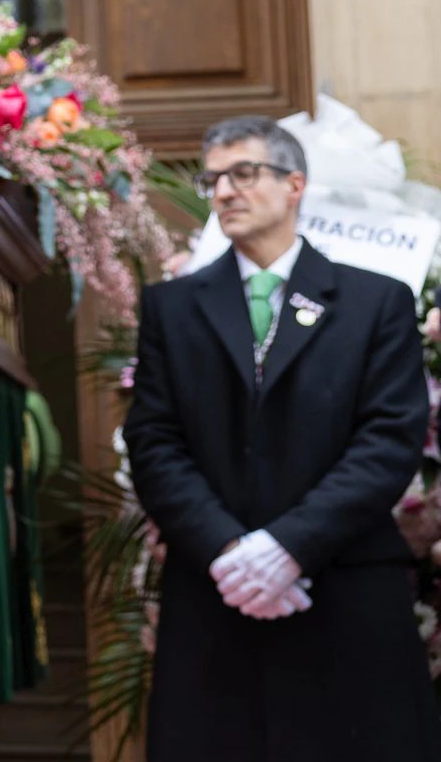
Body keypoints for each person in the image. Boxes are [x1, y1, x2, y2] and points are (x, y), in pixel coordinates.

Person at [123, 115, 441, 760]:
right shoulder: (172, 308)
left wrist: (290, 547)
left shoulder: (375, 300)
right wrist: (230, 551)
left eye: (245, 173)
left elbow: (388, 440)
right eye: (214, 179)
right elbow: (154, 441)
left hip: (344, 584)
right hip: (216, 589)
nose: (224, 191)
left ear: (295, 184)